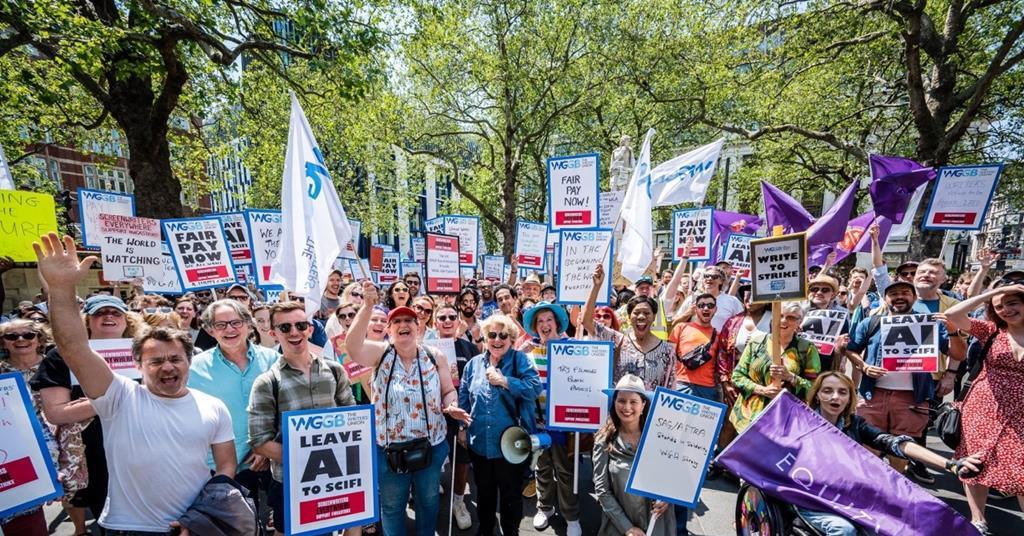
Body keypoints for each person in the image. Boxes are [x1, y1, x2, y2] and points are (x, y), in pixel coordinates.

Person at [33, 233, 236, 534]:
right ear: (138, 366)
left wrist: (202, 516)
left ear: (188, 361)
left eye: (175, 359)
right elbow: (74, 347)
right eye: (155, 361)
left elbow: (225, 467)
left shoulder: (214, 407)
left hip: (193, 527)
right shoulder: (119, 397)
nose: (167, 366)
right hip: (127, 528)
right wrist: (62, 289)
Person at [346, 280, 469, 536]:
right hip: (389, 451)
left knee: (428, 502)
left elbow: (448, 390)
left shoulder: (435, 356)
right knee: (392, 507)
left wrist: (452, 405)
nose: (404, 325)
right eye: (397, 322)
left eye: (409, 321)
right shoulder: (380, 355)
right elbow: (353, 347)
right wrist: (367, 306)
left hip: (430, 447)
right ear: (389, 330)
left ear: (418, 327)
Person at [796, 372, 983, 536]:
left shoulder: (855, 424)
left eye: (842, 392)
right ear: (817, 395)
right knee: (844, 530)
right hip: (811, 496)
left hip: (849, 496)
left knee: (892, 522)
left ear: (849, 398)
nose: (835, 397)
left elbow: (896, 444)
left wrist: (950, 465)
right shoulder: (800, 423)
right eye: (827, 391)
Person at [31, 293, 144, 532]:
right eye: (100, 313)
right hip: (92, 455)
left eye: (115, 312)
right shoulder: (60, 356)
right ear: (87, 321)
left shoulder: (144, 351)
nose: (108, 316)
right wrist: (117, 394)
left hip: (142, 447)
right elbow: (56, 414)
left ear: (127, 320)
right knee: (110, 518)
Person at [247, 300, 357, 536]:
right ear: (273, 333)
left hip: (338, 479)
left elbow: (352, 417)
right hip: (291, 483)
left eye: (300, 325)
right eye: (285, 328)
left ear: (310, 328)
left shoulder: (335, 371)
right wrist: (310, 458)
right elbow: (259, 441)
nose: (294, 332)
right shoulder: (267, 382)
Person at [843, 280, 954, 475]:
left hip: (912, 398)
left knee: (901, 449)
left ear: (914, 297)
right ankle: (871, 487)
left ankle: (896, 488)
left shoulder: (929, 323)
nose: (899, 297)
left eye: (905, 292)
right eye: (893, 294)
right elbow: (851, 350)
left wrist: (953, 331)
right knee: (869, 447)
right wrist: (864, 366)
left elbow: (957, 353)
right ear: (885, 299)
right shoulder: (871, 322)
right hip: (873, 394)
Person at [941, 283, 1024, 535]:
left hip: (1020, 413)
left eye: (1012, 303)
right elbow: (953, 315)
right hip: (983, 407)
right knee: (975, 463)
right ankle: (979, 520)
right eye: (999, 307)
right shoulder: (990, 331)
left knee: (1021, 469)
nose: (1006, 310)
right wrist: (992, 294)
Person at [188, 299, 278, 522]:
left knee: (283, 521)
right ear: (209, 330)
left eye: (236, 322)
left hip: (273, 459)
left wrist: (264, 447)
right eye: (221, 325)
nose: (230, 329)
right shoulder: (193, 368)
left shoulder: (274, 360)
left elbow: (285, 405)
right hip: (223, 465)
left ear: (249, 325)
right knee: (238, 526)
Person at [459, 314, 541, 536]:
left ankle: (511, 531)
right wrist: (462, 428)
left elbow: (534, 389)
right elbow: (465, 397)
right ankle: (485, 529)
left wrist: (505, 381)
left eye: (503, 335)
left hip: (511, 444)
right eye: (492, 335)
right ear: (485, 337)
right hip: (480, 443)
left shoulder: (519, 361)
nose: (497, 340)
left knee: (510, 495)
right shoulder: (473, 365)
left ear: (511, 338)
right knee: (484, 493)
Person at [518, 302, 579, 535]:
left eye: (548, 320)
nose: (544, 325)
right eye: (539, 321)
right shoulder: (528, 350)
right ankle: (545, 507)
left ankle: (571, 516)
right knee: (542, 468)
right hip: (537, 422)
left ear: (556, 323)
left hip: (564, 423)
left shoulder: (571, 346)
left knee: (565, 471)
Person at [592, 375, 673, 536]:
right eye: (621, 400)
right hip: (619, 523)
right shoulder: (604, 439)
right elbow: (602, 490)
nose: (626, 407)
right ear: (614, 402)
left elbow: (671, 475)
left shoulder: (660, 437)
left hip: (655, 523)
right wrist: (626, 527)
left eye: (633, 402)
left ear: (643, 405)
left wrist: (668, 499)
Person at [0, 319, 58, 535]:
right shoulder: (1, 372)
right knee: (23, 508)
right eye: (12, 336)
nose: (21, 339)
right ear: (3, 343)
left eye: (28, 335)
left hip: (58, 438)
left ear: (39, 339)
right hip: (17, 446)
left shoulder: (56, 364)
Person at [730, 302, 820, 432]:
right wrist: (762, 390)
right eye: (780, 315)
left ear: (799, 322)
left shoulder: (806, 349)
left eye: (791, 317)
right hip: (749, 418)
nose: (783, 321)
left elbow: (815, 387)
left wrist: (791, 377)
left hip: (785, 420)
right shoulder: (756, 343)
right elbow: (737, 376)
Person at [583, 264, 676, 390]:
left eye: (647, 313)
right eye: (636, 313)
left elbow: (669, 390)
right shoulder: (618, 341)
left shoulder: (667, 351)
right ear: (629, 316)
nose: (641, 317)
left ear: (654, 317)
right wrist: (596, 287)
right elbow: (587, 322)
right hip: (622, 409)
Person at [430, 303, 480, 530]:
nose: (447, 321)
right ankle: (428, 503)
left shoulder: (469, 349)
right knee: (430, 463)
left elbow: (474, 388)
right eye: (442, 318)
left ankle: (459, 502)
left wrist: (463, 424)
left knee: (461, 462)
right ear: (435, 323)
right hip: (431, 417)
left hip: (460, 415)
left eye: (452, 317)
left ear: (459, 322)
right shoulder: (423, 349)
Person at [802, 275, 850, 371]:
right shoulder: (796, 314)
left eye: (825, 290)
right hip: (799, 366)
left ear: (832, 295)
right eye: (814, 289)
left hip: (825, 368)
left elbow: (844, 344)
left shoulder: (840, 317)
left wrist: (842, 359)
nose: (819, 293)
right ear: (809, 293)